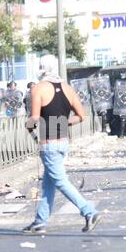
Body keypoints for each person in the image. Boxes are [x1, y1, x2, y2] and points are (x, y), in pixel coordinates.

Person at [23, 55, 101, 234]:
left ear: (41, 68)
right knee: (48, 185)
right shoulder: (67, 88)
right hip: (63, 143)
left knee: (61, 181)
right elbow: (81, 116)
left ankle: (89, 212)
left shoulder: (38, 88)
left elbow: (34, 117)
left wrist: (28, 125)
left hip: (49, 144)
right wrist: (62, 123)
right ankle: (40, 222)